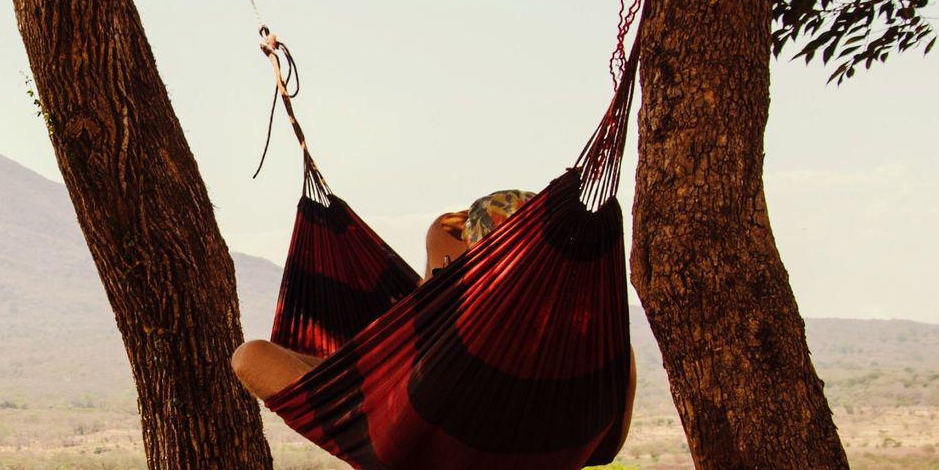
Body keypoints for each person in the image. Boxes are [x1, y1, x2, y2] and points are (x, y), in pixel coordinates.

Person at [232, 191, 636, 443]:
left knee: (251, 358)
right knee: (312, 363)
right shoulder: (596, 331)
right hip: (531, 449)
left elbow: (421, 345)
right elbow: (607, 447)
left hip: (422, 433)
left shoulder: (471, 319)